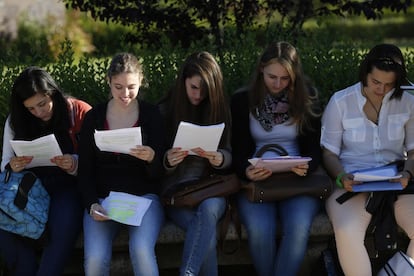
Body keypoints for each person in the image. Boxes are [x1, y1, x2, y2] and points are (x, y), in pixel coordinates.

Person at [321, 43, 414, 276]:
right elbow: (329, 153)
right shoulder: (340, 102)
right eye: (375, 82)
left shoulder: (409, 103)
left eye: (389, 84)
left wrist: (408, 174)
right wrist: (342, 177)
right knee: (346, 230)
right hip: (352, 181)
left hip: (397, 182)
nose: (381, 89)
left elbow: (413, 151)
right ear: (365, 74)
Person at [231, 41, 322, 276]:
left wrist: (306, 166)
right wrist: (246, 171)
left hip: (297, 181)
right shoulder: (243, 101)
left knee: (299, 227)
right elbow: (238, 150)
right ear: (261, 69)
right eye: (273, 77)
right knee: (261, 230)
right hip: (258, 180)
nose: (278, 84)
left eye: (285, 79)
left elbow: (314, 149)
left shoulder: (305, 98)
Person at [78, 52, 166, 276]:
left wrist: (152, 159)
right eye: (118, 87)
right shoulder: (94, 117)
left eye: (131, 87)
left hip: (144, 198)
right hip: (104, 200)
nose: (125, 94)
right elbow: (85, 171)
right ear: (108, 81)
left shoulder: (151, 115)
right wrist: (91, 204)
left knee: (141, 249)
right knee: (95, 259)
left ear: (141, 82)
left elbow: (161, 172)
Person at [0, 66, 91, 275]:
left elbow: (96, 160)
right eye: (31, 109)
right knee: (6, 225)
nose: (39, 112)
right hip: (29, 187)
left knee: (62, 227)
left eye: (42, 104)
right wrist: (12, 165)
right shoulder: (15, 120)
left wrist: (74, 163)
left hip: (67, 187)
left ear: (52, 92)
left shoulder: (76, 110)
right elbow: (5, 162)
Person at [158, 51, 232, 276]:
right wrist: (168, 160)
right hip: (177, 193)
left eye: (205, 90)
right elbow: (154, 163)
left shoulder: (220, 110)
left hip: (212, 188)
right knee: (203, 234)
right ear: (183, 83)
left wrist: (220, 158)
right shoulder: (165, 110)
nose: (199, 95)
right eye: (193, 87)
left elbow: (231, 154)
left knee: (208, 211)